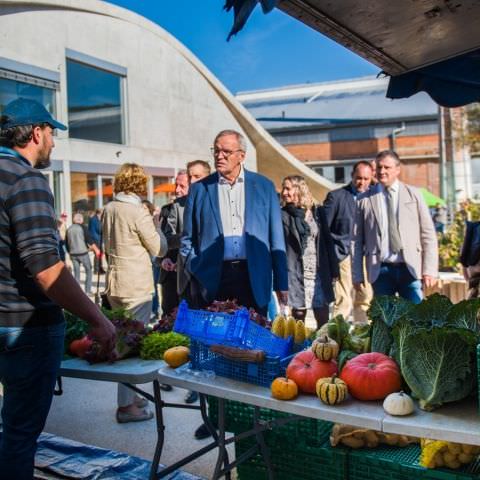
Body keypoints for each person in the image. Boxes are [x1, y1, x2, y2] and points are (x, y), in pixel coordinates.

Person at [0, 97, 116, 480]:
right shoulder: (25, 178)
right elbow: (46, 270)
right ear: (36, 133)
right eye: (51, 133)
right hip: (25, 329)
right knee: (19, 436)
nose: (53, 142)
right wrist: (98, 319)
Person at [181, 130, 288, 438]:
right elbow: (188, 239)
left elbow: (275, 238)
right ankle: (214, 417)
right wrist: (197, 269)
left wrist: (281, 281)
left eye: (226, 151)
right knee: (213, 350)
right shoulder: (201, 190)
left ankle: (254, 418)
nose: (220, 156)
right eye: (216, 151)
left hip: (253, 277)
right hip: (215, 279)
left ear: (242, 155)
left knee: (254, 348)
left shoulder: (263, 187)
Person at [102, 163, 167, 423]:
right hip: (136, 285)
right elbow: (159, 249)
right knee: (129, 347)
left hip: (115, 281)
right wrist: (157, 225)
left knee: (123, 338)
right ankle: (126, 407)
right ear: (140, 185)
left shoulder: (109, 208)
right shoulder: (137, 210)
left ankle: (132, 397)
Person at [352, 150, 438, 303]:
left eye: (386, 167)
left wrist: (429, 270)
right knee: (385, 321)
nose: (382, 171)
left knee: (415, 319)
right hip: (380, 270)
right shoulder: (363, 200)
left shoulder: (414, 195)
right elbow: (356, 241)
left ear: (398, 169)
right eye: (378, 168)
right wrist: (357, 275)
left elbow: (428, 235)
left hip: (410, 269)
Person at [163, 160, 211, 405]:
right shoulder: (177, 207)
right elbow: (167, 238)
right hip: (188, 277)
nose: (193, 182)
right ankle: (196, 383)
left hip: (213, 277)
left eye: (198, 176)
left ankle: (210, 383)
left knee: (213, 332)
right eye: (190, 177)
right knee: (194, 332)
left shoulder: (216, 203)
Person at [281, 175, 338, 328]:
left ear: (299, 189)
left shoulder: (317, 211)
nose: (284, 192)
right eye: (283, 188)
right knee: (298, 314)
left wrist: (334, 270)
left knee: (322, 313)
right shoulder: (283, 214)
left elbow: (327, 240)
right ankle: (300, 349)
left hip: (318, 271)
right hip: (295, 270)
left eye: (288, 188)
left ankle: (323, 346)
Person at [323, 161, 374, 323]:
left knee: (365, 300)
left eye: (366, 179)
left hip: (368, 256)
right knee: (343, 301)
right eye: (358, 178)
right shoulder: (336, 197)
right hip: (343, 255)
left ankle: (362, 337)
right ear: (352, 176)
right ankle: (335, 339)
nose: (362, 182)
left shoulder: (375, 197)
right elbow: (324, 229)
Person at [159, 170, 189, 316]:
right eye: (176, 185)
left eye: (182, 186)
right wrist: (162, 259)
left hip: (190, 276)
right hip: (170, 277)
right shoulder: (168, 210)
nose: (177, 190)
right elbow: (162, 239)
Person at [66, 213, 99, 295]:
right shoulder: (83, 227)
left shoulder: (69, 229)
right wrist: (96, 250)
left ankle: (77, 293)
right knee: (88, 270)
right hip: (83, 253)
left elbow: (67, 243)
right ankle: (87, 291)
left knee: (77, 273)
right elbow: (89, 240)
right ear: (81, 220)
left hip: (73, 254)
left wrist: (69, 252)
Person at [88, 208, 105, 274]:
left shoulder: (94, 218)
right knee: (98, 254)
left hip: (97, 238)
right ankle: (97, 269)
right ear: (100, 213)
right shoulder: (95, 220)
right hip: (96, 239)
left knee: (100, 254)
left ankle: (100, 268)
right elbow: (99, 229)